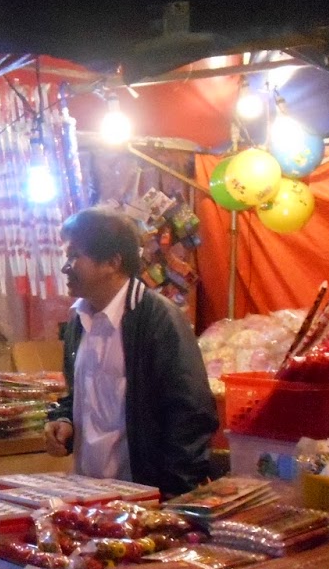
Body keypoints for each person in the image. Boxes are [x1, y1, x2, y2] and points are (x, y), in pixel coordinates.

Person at [44, 207, 220, 497]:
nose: (66, 266)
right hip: (89, 496)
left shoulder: (157, 318)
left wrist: (170, 494)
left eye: (75, 256)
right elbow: (78, 396)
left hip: (144, 498)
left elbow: (192, 413)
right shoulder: (78, 321)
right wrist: (63, 420)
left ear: (112, 262)